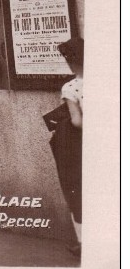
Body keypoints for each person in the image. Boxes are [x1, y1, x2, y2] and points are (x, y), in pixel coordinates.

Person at [52, 37, 83, 254]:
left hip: (81, 146)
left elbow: (77, 121)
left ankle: (84, 242)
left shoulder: (71, 87)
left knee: (77, 191)